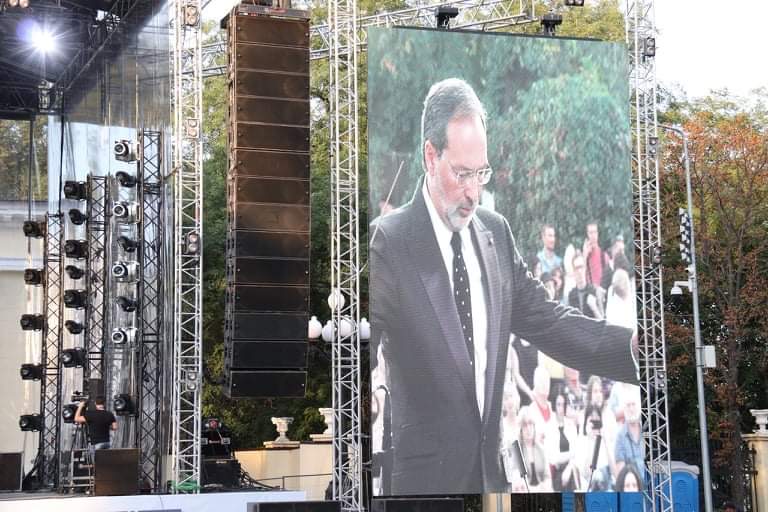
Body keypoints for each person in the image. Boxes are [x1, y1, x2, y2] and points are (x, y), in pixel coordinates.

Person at [369, 77, 638, 494]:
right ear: (429, 155)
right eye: (462, 174)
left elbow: (551, 322)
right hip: (423, 488)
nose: (474, 192)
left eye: (482, 174)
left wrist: (637, 351)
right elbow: (359, 357)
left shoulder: (496, 234)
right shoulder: (390, 239)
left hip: (492, 483)